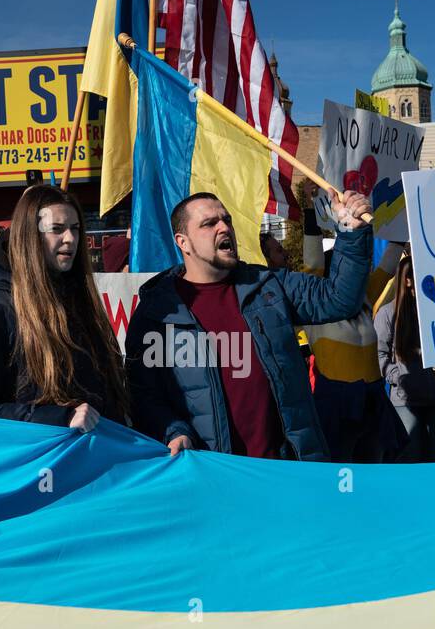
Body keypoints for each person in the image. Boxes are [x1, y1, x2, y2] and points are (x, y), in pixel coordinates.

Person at [125, 189, 373, 460]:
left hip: (287, 469)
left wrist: (351, 232)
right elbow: (145, 396)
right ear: (183, 242)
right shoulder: (157, 314)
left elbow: (339, 298)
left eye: (227, 220)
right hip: (214, 476)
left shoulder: (268, 286)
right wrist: (173, 432)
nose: (224, 228)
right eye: (209, 224)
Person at [0, 185, 128, 428]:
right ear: (29, 235)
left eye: (75, 228)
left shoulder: (79, 301)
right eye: (57, 229)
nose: (70, 238)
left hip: (94, 458)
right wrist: (59, 418)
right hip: (38, 463)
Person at [298, 193, 407, 463]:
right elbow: (312, 264)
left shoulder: (365, 296)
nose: (356, 277)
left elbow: (389, 264)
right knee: (338, 477)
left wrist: (403, 217)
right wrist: (311, 210)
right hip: (334, 402)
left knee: (375, 474)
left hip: (372, 398)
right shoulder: (314, 304)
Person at [374, 254, 435, 461]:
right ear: (408, 280)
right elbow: (379, 355)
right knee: (410, 458)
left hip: (434, 399)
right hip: (404, 402)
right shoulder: (387, 314)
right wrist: (400, 378)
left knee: (434, 457)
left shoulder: (433, 311)